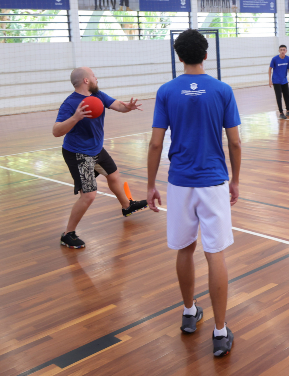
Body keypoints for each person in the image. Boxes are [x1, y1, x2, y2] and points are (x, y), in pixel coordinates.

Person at [147, 29, 241, 358]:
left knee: (185, 250)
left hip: (180, 183)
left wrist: (150, 185)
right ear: (205, 55)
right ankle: (219, 331)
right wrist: (236, 180)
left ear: (179, 56)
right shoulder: (222, 90)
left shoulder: (167, 91)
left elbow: (157, 142)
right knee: (215, 254)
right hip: (214, 182)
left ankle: (189, 312)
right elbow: (235, 142)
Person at [53, 67, 147, 249]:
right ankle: (67, 234)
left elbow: (117, 105)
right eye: (94, 76)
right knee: (89, 195)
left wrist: (127, 107)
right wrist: (75, 117)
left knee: (114, 175)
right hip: (78, 153)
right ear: (86, 81)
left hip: (96, 148)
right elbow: (56, 131)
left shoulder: (98, 95)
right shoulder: (70, 104)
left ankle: (127, 206)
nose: (97, 78)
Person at [269, 45, 289, 119]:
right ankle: (281, 112)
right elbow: (270, 69)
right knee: (279, 96)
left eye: (284, 50)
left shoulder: (288, 59)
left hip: (284, 80)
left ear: (286, 51)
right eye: (281, 50)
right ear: (279, 51)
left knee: (287, 95)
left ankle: (288, 111)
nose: (282, 51)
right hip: (276, 81)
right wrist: (270, 80)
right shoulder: (275, 59)